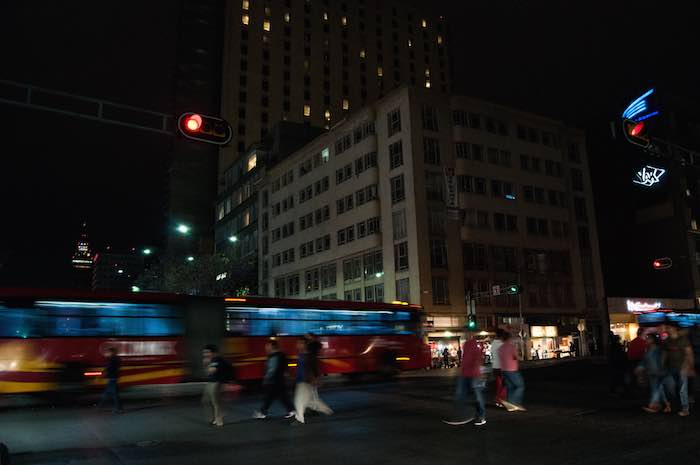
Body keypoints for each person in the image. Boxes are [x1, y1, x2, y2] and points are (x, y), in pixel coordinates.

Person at [445, 332, 486, 426]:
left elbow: (478, 358)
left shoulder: (476, 344)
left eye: (468, 333)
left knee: (477, 396)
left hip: (474, 373)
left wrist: (480, 372)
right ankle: (461, 414)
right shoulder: (466, 344)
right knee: (460, 394)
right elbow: (465, 359)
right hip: (465, 373)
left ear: (472, 335)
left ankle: (481, 416)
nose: (466, 335)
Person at [294, 337, 333, 424]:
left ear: (305, 345)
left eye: (300, 343)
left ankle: (300, 418)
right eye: (298, 343)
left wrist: (317, 379)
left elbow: (315, 369)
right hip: (300, 381)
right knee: (310, 402)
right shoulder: (301, 355)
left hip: (306, 382)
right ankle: (326, 409)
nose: (298, 345)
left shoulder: (309, 356)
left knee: (299, 400)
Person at [253, 340, 295, 419]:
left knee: (270, 397)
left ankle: (263, 413)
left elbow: (271, 369)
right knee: (280, 397)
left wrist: (266, 378)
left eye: (267, 346)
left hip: (274, 381)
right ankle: (291, 410)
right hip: (280, 380)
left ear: (272, 346)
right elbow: (285, 368)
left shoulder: (274, 356)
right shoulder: (282, 355)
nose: (266, 348)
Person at [662, 324, 695, 416]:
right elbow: (665, 354)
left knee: (682, 389)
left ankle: (685, 409)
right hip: (671, 368)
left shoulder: (683, 339)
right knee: (671, 387)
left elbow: (689, 353)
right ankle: (675, 405)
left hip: (683, 367)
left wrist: (690, 367)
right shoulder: (667, 341)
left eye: (669, 327)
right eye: (667, 327)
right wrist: (662, 365)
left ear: (675, 328)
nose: (668, 329)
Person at [637, 333, 671, 413]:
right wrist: (640, 367)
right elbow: (645, 361)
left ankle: (654, 406)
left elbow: (663, 358)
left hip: (657, 372)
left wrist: (661, 368)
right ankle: (666, 405)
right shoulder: (649, 349)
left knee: (656, 389)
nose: (646, 340)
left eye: (648, 338)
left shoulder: (657, 349)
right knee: (659, 390)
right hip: (653, 372)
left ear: (653, 340)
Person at [202, 344, 228, 427]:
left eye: (206, 352)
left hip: (216, 382)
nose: (204, 354)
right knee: (206, 400)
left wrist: (206, 364)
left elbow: (211, 371)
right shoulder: (212, 359)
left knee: (215, 402)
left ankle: (219, 419)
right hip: (210, 382)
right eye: (204, 352)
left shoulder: (216, 359)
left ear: (212, 352)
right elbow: (207, 373)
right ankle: (216, 417)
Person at [499, 332, 526, 412]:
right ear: (509, 338)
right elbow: (516, 357)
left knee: (510, 387)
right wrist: (520, 357)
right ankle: (514, 403)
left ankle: (510, 405)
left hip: (504, 370)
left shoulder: (501, 348)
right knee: (520, 386)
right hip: (512, 369)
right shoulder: (511, 347)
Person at [98, 347, 122, 413]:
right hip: (114, 377)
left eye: (109, 352)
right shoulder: (117, 359)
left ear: (112, 352)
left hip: (112, 378)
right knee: (108, 393)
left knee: (113, 394)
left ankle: (118, 408)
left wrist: (103, 374)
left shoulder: (112, 359)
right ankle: (100, 406)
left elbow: (108, 367)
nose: (108, 353)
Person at [627, 328, 648, 395]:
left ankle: (635, 391)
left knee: (635, 378)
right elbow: (645, 353)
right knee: (641, 378)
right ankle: (641, 392)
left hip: (632, 361)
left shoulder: (633, 341)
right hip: (639, 362)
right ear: (643, 334)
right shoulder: (643, 342)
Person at [491, 329, 507, 407]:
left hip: (495, 366)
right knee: (504, 384)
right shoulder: (502, 344)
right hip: (502, 367)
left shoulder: (493, 343)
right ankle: (500, 400)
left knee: (499, 384)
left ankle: (498, 400)